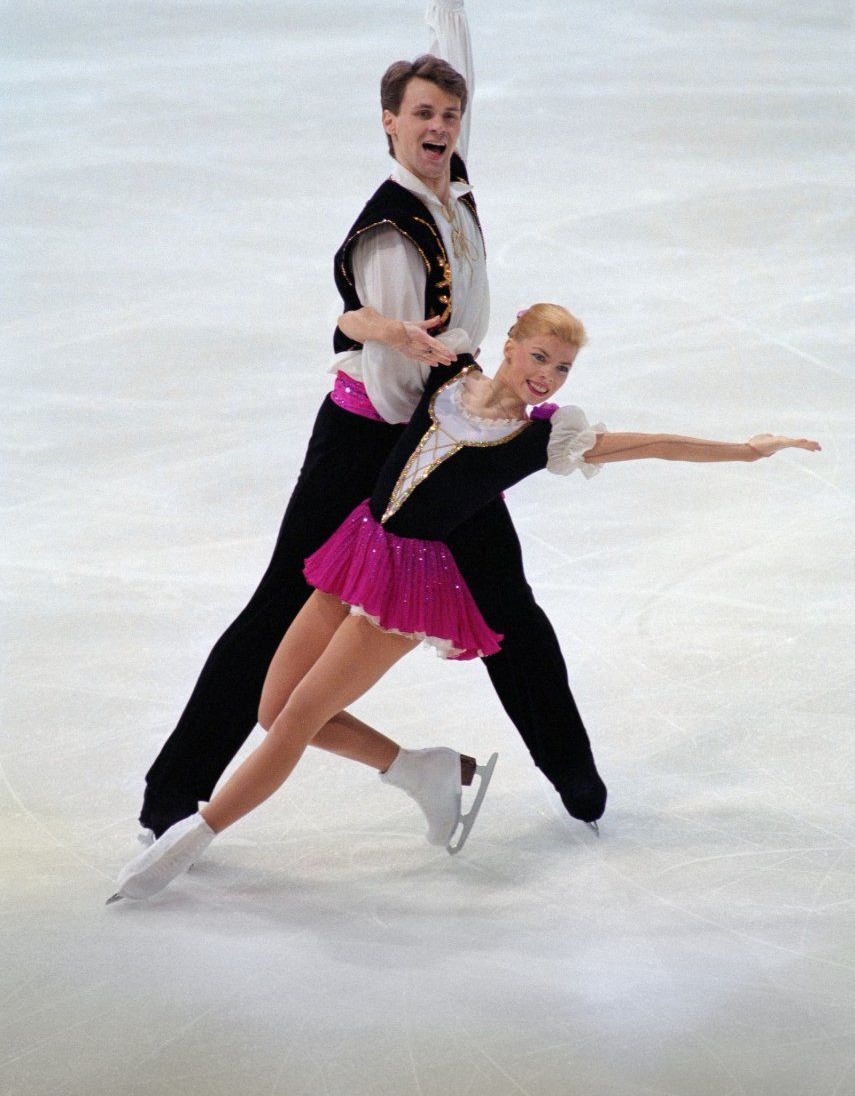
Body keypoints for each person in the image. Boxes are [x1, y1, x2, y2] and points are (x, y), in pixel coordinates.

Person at [138, 0, 608, 851]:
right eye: (420, 116)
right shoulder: (393, 229)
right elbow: (389, 369)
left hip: (446, 429)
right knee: (279, 610)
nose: (438, 126)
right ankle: (170, 797)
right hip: (377, 440)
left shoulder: (451, 179)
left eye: (448, 116)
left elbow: (453, 79)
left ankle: (581, 788)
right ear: (386, 126)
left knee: (509, 609)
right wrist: (451, 426)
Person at [110, 303, 820, 902]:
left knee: (295, 718)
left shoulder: (541, 437)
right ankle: (424, 770)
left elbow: (656, 444)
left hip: (407, 586)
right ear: (508, 348)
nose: (545, 376)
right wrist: (386, 330)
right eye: (538, 357)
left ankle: (190, 841)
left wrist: (744, 450)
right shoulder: (449, 372)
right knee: (272, 708)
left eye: (561, 368)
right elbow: (349, 319)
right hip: (357, 546)